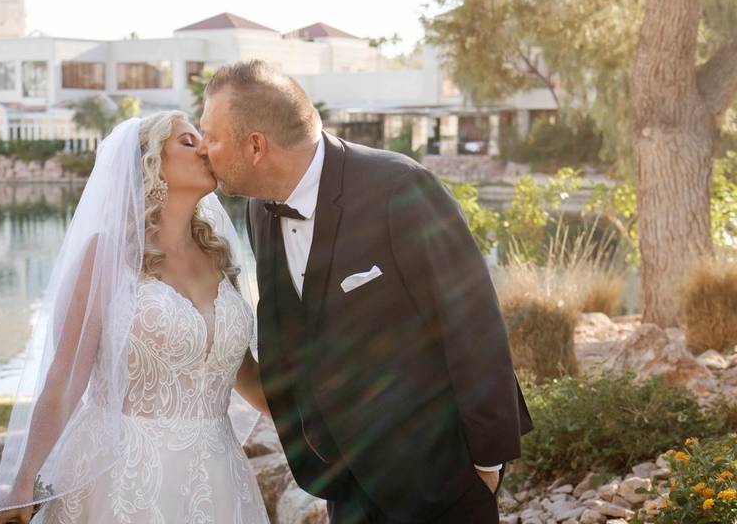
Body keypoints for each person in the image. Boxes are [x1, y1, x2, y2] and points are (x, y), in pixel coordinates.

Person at [197, 60, 534, 524]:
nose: (203, 151)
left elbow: (473, 323)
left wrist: (486, 462)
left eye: (211, 137)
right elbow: (289, 332)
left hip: (442, 475)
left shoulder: (399, 188)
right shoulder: (260, 211)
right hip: (346, 483)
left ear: (256, 146)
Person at [0, 112, 271, 524]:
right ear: (150, 162)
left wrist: (316, 421)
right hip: (122, 475)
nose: (206, 149)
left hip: (217, 475)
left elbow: (237, 369)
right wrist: (23, 479)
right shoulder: (106, 255)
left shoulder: (218, 254)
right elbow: (67, 375)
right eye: (188, 142)